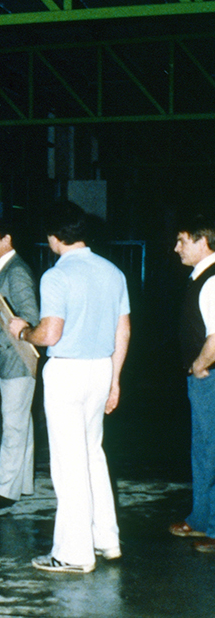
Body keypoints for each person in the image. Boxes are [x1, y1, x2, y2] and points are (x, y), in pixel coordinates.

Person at [8, 202, 130, 573]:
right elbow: (122, 330)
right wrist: (115, 380)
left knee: (69, 464)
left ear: (54, 237)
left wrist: (23, 331)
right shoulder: (112, 272)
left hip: (67, 373)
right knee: (93, 455)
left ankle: (74, 553)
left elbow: (51, 333)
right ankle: (106, 539)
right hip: (99, 370)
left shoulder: (56, 276)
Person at [0, 218, 39, 510]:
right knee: (21, 420)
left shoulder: (17, 273)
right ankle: (23, 482)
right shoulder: (3, 269)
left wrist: (5, 334)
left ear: (7, 239)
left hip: (17, 356)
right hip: (5, 354)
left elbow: (31, 315)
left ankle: (4, 490)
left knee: (13, 424)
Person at [170, 215, 215, 553]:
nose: (176, 248)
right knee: (202, 451)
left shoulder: (212, 281)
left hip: (209, 377)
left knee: (210, 451)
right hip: (202, 378)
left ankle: (213, 528)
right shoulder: (200, 277)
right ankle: (201, 518)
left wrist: (200, 365)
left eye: (182, 240)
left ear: (203, 243)